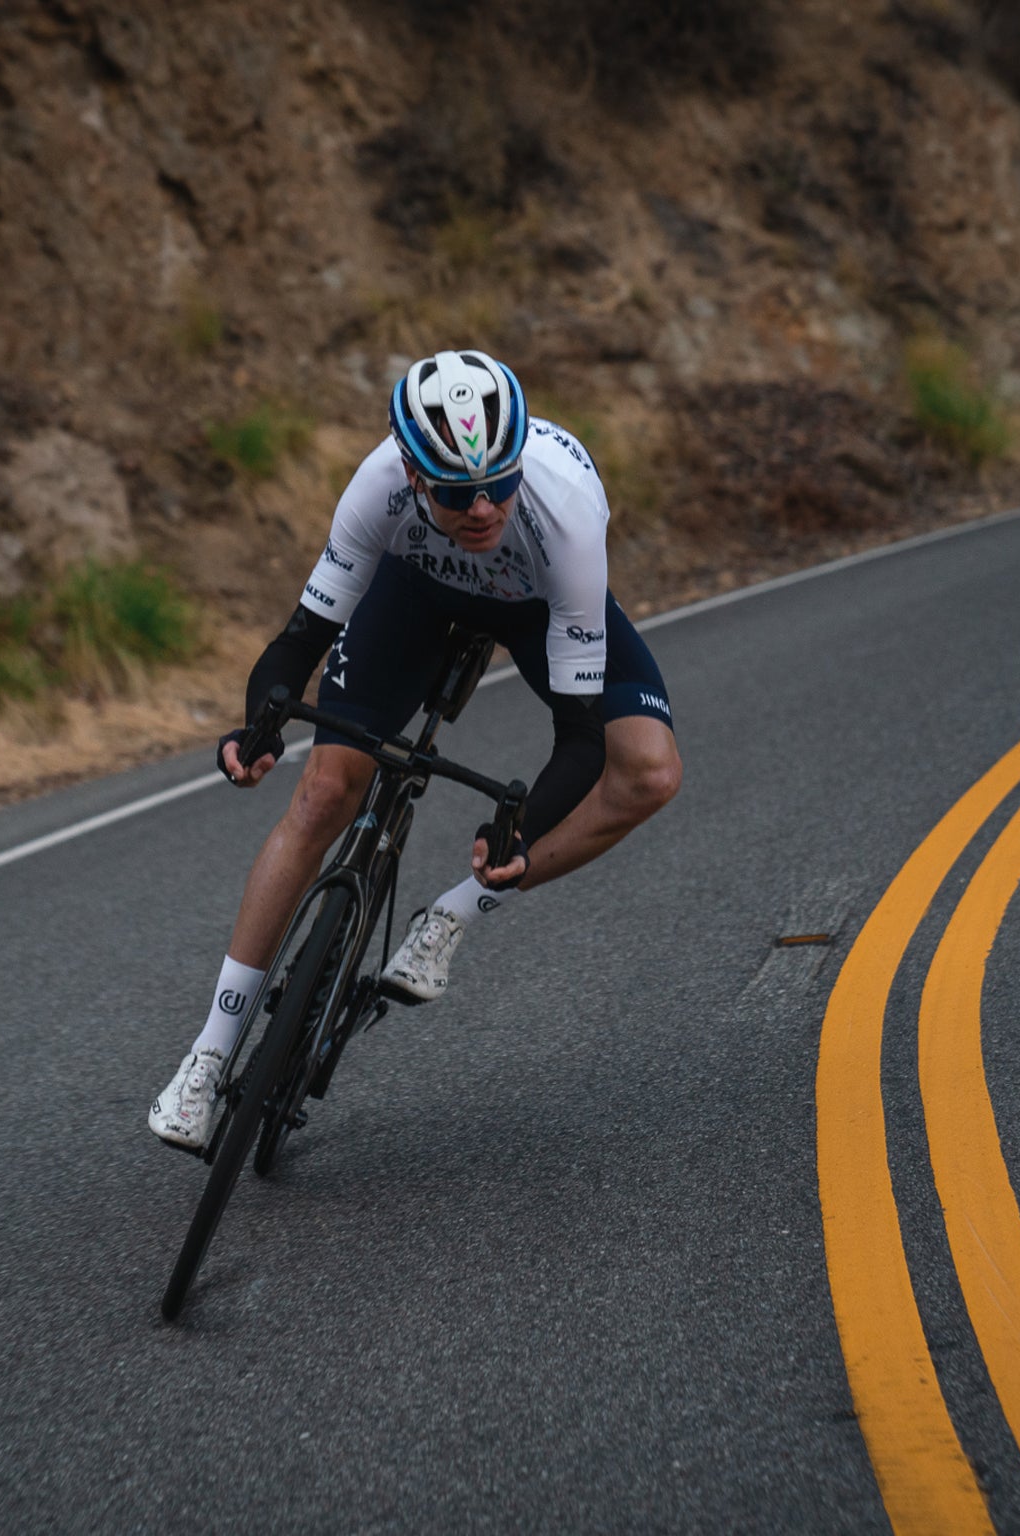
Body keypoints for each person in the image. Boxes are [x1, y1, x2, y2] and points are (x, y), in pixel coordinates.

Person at [150, 349, 681, 1149]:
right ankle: (209, 1053)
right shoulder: (377, 487)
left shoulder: (565, 509)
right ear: (411, 470)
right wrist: (260, 729)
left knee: (649, 770)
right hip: (416, 591)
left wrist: (520, 829)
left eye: (499, 484)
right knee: (326, 791)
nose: (482, 509)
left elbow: (577, 736)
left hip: (536, 605)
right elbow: (301, 641)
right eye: (458, 492)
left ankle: (454, 914)